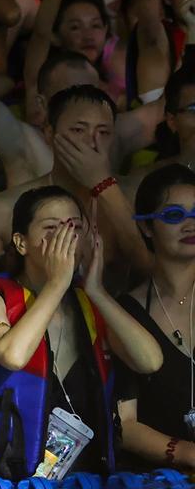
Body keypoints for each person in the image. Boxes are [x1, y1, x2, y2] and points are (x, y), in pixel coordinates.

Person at [0, 186, 162, 477]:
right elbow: (13, 355)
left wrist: (96, 290)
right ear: (21, 243)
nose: (66, 237)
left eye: (74, 227)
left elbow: (150, 361)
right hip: (10, 479)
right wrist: (57, 283)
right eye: (52, 228)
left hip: (89, 478)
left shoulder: (90, 304)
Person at [118, 165, 195, 470]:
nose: (190, 225)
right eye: (175, 216)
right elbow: (125, 426)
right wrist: (188, 454)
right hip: (161, 477)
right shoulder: (125, 311)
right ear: (147, 227)